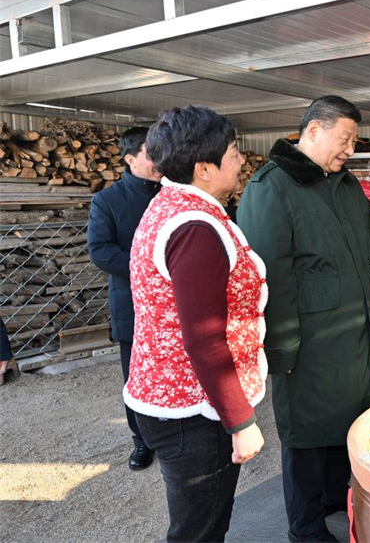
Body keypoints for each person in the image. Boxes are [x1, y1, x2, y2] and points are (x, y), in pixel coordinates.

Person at [238, 95, 370, 543]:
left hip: (356, 327)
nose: (351, 150)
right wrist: (280, 349)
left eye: (354, 141)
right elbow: (268, 274)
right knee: (307, 434)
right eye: (346, 139)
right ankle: (305, 527)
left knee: (350, 419)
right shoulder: (271, 186)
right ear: (313, 130)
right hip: (308, 339)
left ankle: (336, 496)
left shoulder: (343, 182)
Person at [124, 106, 267, 542]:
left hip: (173, 396)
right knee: (200, 531)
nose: (241, 160)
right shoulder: (194, 227)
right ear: (204, 169)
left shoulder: (170, 205)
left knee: (199, 526)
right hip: (193, 412)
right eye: (233, 152)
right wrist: (240, 422)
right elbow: (205, 338)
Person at [87, 126, 161, 470]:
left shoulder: (174, 194)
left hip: (176, 301)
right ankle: (142, 440)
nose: (160, 159)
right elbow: (101, 251)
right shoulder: (107, 200)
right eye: (151, 153)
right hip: (132, 302)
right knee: (136, 375)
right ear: (130, 159)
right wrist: (152, 268)